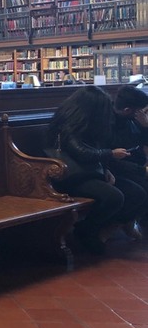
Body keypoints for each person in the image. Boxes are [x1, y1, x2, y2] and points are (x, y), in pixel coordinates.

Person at [46, 86, 146, 254]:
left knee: (137, 193)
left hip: (91, 171)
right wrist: (111, 154)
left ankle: (100, 228)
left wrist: (106, 168)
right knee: (113, 196)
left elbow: (96, 148)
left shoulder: (89, 122)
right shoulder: (68, 125)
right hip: (71, 175)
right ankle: (87, 231)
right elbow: (81, 152)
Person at [108, 85, 148, 238]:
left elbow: (142, 144)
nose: (144, 113)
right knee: (141, 189)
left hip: (134, 165)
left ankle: (131, 220)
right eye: (142, 110)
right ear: (127, 110)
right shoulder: (108, 122)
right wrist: (142, 170)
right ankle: (118, 224)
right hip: (116, 169)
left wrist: (146, 127)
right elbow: (110, 158)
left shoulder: (135, 120)